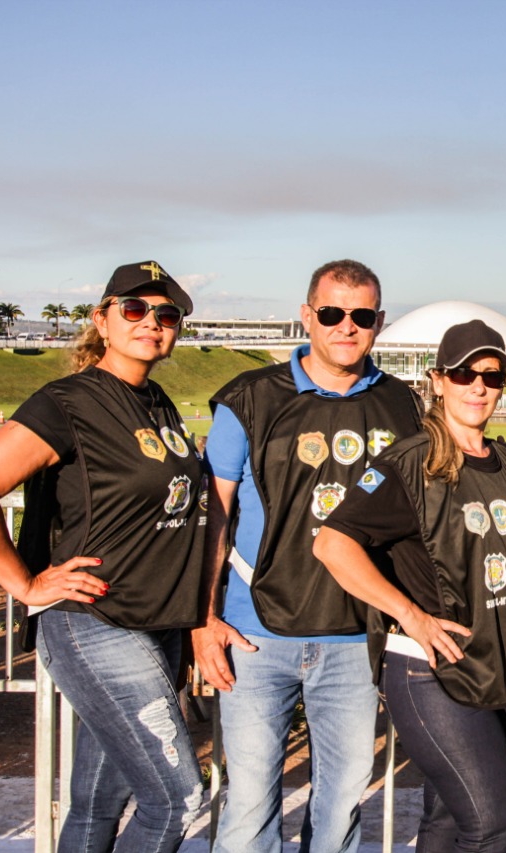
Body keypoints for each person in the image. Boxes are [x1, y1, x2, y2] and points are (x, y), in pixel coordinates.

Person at [0, 261, 205, 852]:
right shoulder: (70, 401)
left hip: (156, 622)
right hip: (98, 623)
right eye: (134, 310)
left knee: (96, 804)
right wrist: (26, 584)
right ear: (102, 319)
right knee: (178, 800)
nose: (151, 323)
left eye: (166, 315)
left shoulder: (156, 401)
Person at [193, 259, 423, 853]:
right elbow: (213, 517)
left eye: (362, 316)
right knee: (247, 807)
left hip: (354, 637)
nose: (347, 327)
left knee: (341, 804)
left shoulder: (403, 406)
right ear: (307, 316)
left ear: (379, 322)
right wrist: (203, 618)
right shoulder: (247, 398)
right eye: (332, 313)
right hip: (254, 635)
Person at [314, 320, 506, 853]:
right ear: (438, 381)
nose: (478, 386)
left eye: (490, 376)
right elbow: (331, 545)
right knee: (491, 823)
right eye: (464, 373)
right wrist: (410, 614)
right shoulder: (409, 462)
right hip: (431, 670)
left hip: (501, 665)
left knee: (448, 822)